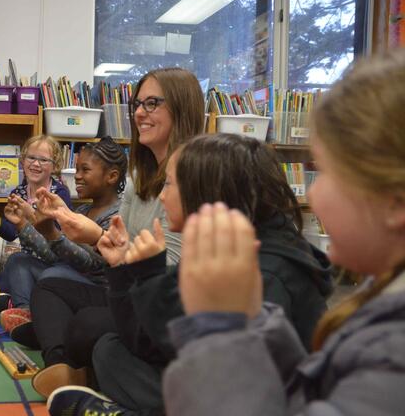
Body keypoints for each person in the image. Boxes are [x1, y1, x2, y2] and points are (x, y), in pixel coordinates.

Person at [48, 51, 405, 416]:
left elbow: (181, 354)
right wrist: (130, 270)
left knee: (100, 336)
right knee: (92, 327)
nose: (311, 193)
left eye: (328, 174)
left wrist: (220, 324)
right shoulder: (376, 304)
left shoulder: (388, 345)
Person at [46, 133, 333, 413]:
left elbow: (232, 386)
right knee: (108, 349)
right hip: (210, 374)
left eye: (169, 184)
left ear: (207, 192)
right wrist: (122, 267)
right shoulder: (220, 242)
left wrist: (147, 276)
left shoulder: (264, 272)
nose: (161, 195)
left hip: (246, 398)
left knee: (105, 342)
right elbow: (149, 341)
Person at [25, 67, 205, 398]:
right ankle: (61, 366)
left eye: (152, 103)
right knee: (48, 286)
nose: (139, 113)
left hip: (162, 305)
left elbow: (170, 272)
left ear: (181, 107)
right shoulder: (139, 177)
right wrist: (67, 228)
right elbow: (109, 259)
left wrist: (94, 236)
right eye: (137, 103)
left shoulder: (194, 178)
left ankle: (60, 346)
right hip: (125, 291)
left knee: (88, 325)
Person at [0, 137, 127, 335]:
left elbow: (90, 264)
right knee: (18, 261)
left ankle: (34, 313)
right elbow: (53, 256)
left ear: (111, 176)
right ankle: (25, 313)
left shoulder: (117, 217)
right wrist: (23, 224)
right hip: (68, 275)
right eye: (77, 169)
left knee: (53, 276)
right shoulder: (82, 210)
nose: (77, 176)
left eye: (85, 170)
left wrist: (50, 231)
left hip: (97, 289)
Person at [0, 134, 72, 304]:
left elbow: (54, 237)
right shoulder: (18, 192)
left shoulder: (59, 194)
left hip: (53, 262)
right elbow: (11, 233)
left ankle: (20, 306)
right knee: (5, 276)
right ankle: (11, 300)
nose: (35, 164)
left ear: (54, 166)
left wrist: (29, 216)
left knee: (15, 266)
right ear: (23, 160)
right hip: (27, 259)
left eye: (43, 160)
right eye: (31, 157)